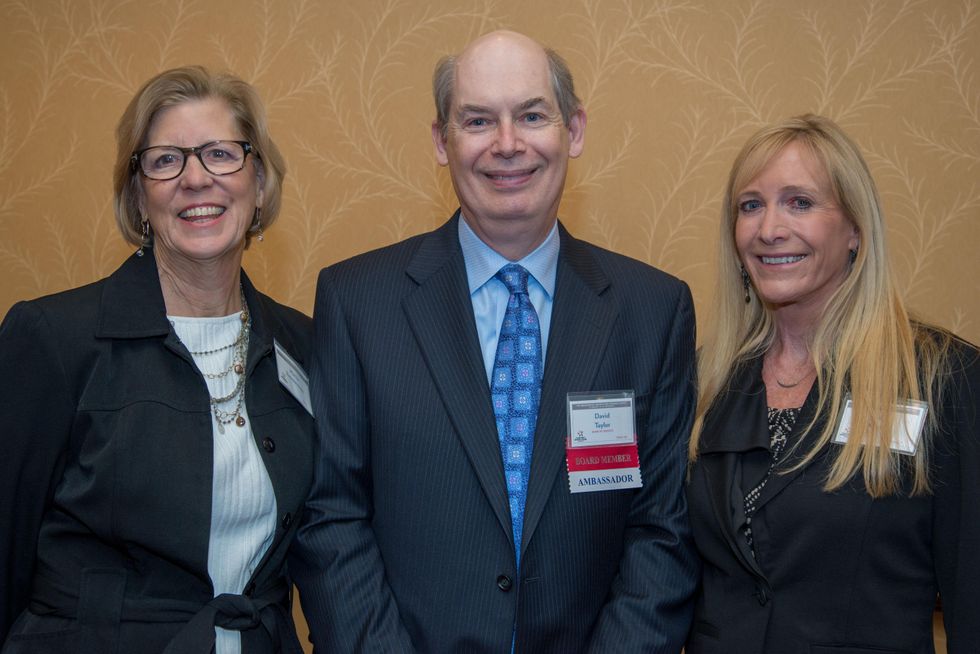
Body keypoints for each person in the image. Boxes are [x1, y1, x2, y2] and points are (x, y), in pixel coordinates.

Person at [291, 30, 698, 653]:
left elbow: (661, 533)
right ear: (441, 141)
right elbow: (332, 518)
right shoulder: (357, 302)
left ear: (575, 130)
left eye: (532, 115)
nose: (508, 145)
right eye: (478, 120)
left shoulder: (653, 311)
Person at [0, 66, 314, 654]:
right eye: (166, 160)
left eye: (221, 154)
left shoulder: (307, 345)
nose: (196, 179)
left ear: (260, 183)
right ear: (139, 193)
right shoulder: (54, 339)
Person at [685, 114, 980, 653]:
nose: (769, 228)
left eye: (799, 202)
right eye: (751, 205)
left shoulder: (943, 379)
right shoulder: (705, 381)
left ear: (855, 232)